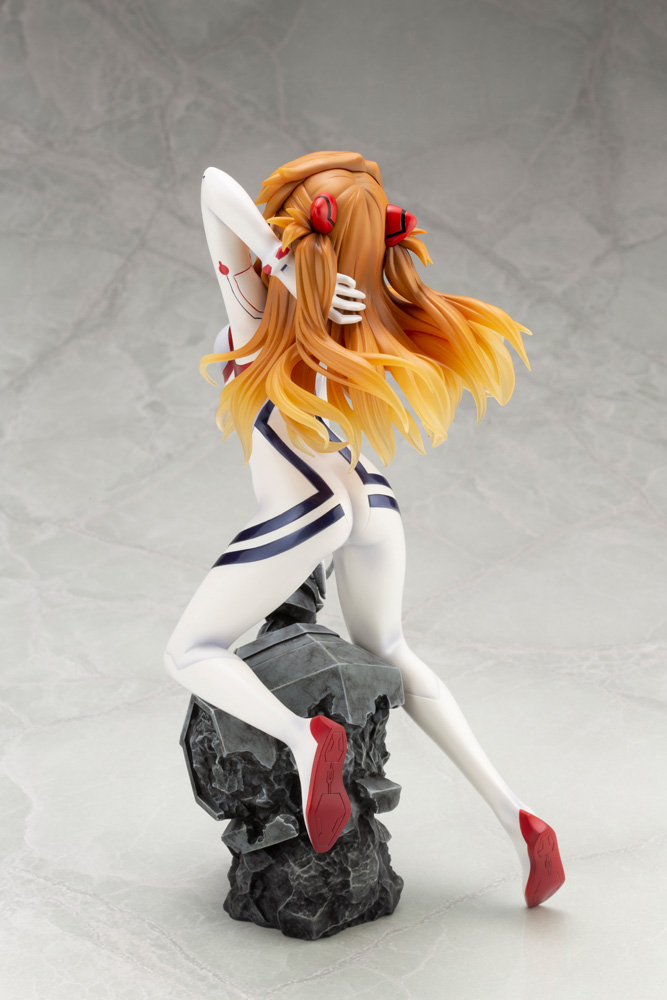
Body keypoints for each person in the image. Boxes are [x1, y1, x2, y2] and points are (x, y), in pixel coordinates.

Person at [164, 151, 565, 905]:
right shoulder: (363, 309)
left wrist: (287, 271)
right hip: (371, 499)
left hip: (307, 506)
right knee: (391, 649)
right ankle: (517, 817)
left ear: (291, 224)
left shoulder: (260, 307)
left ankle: (303, 739)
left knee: (189, 651)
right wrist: (317, 277)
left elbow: (214, 185)